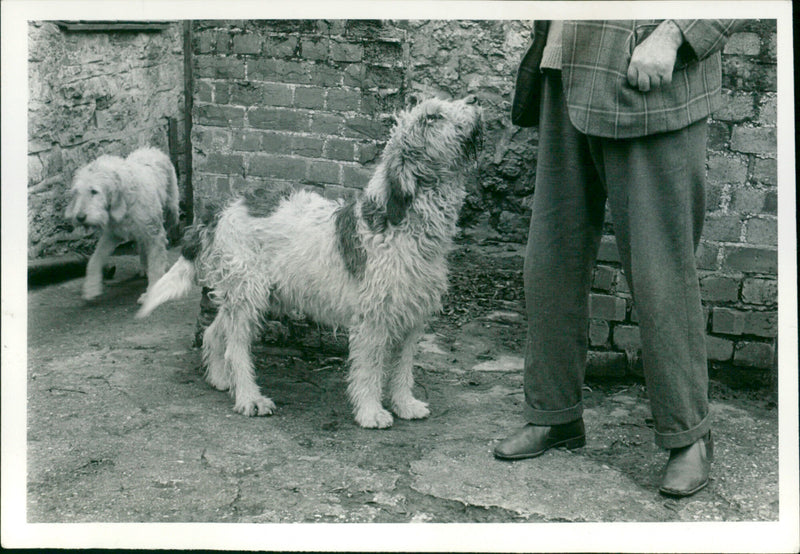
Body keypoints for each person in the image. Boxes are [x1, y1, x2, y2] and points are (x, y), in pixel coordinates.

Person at [494, 19, 741, 497]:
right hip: (564, 74)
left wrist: (673, 35)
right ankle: (554, 414)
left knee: (659, 272)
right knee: (550, 266)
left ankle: (689, 435)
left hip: (648, 80)